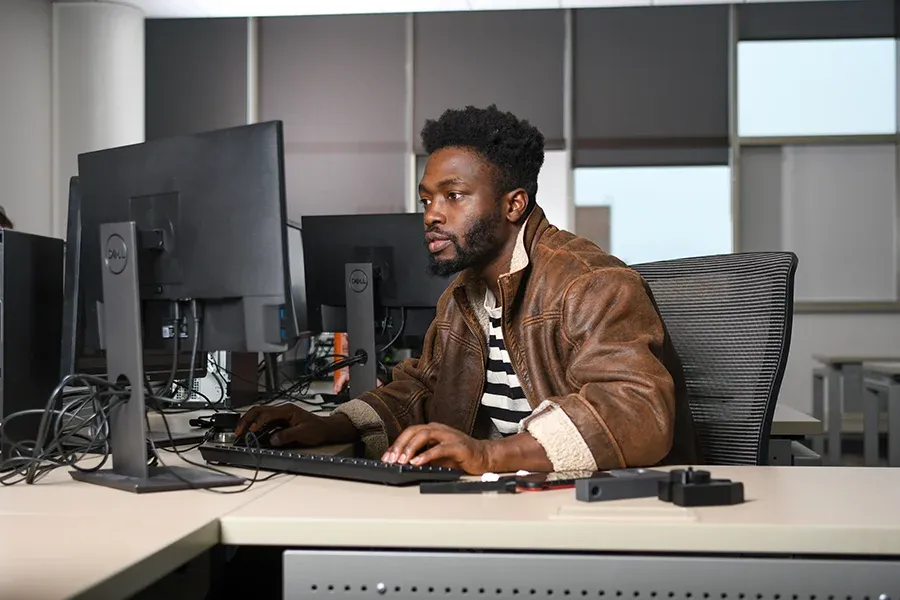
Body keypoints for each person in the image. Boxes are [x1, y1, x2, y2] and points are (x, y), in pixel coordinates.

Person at [237, 105, 699, 474]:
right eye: (426, 199)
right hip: (502, 499)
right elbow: (423, 389)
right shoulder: (463, 298)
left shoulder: (590, 283)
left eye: (453, 196)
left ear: (514, 204)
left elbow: (636, 412)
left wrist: (487, 455)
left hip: (596, 507)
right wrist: (331, 425)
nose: (432, 215)